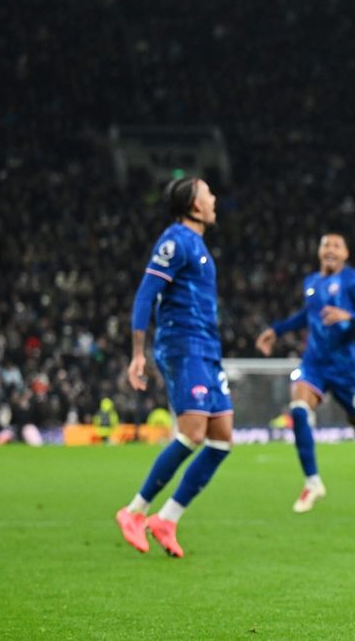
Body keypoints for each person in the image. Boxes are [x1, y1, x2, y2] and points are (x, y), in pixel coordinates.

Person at [115, 177, 233, 558]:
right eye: (208, 193)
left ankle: (167, 518)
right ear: (195, 206)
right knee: (194, 431)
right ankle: (134, 511)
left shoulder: (198, 245)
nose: (214, 199)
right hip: (183, 345)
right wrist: (138, 353)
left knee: (221, 438)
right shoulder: (175, 241)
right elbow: (145, 294)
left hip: (207, 349)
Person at [255, 233, 355, 513]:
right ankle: (313, 481)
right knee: (298, 408)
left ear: (346, 253)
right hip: (314, 363)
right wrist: (275, 331)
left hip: (345, 369)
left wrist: (349, 316)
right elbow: (307, 315)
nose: (330, 250)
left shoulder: (354, 281)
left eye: (336, 246)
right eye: (325, 245)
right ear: (319, 252)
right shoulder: (311, 282)